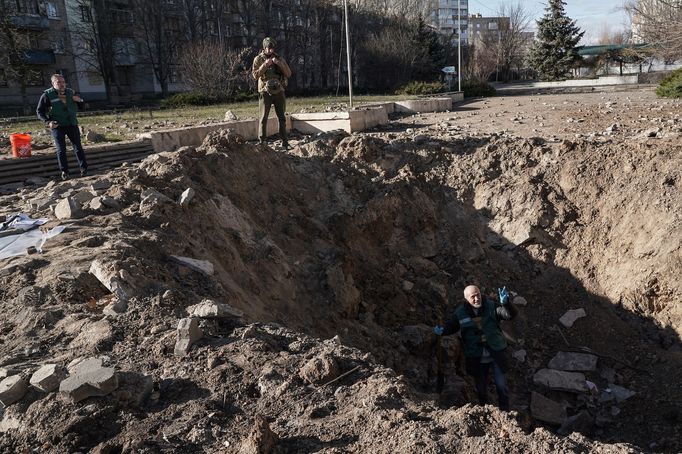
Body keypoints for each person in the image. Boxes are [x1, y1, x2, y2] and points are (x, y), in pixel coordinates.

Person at [434, 285, 517, 411]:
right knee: (481, 388)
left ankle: (505, 412)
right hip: (476, 356)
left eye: (478, 294)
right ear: (466, 298)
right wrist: (443, 331)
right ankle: (484, 411)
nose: (477, 298)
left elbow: (509, 315)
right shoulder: (460, 313)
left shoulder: (491, 306)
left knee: (501, 386)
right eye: (473, 297)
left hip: (496, 353)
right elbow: (452, 327)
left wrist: (506, 304)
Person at [36, 74, 88, 180]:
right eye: (58, 82)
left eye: (63, 82)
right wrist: (48, 122)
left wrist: (80, 101)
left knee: (78, 147)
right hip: (57, 125)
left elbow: (82, 107)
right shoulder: (47, 95)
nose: (61, 84)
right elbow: (39, 111)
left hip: (71, 123)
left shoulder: (71, 92)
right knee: (61, 149)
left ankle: (84, 169)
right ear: (53, 83)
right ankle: (64, 171)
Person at [252, 37, 292, 148]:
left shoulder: (279, 58)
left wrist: (279, 64)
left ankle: (284, 141)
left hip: (279, 90)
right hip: (265, 91)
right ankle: (262, 141)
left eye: (272, 48)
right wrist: (265, 64)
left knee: (281, 117)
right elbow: (255, 75)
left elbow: (288, 73)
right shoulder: (258, 59)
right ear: (264, 48)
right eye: (269, 48)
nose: (271, 50)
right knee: (263, 117)